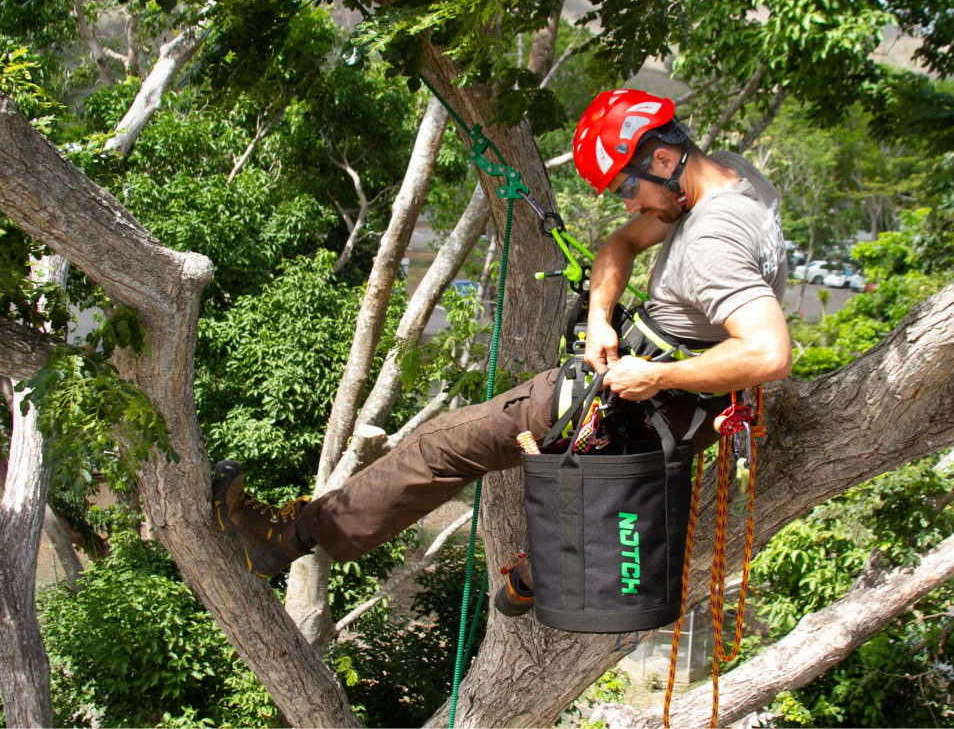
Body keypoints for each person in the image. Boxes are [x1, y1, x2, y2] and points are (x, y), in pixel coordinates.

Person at [212, 88, 792, 618]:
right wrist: (597, 317)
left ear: (662, 160)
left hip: (632, 398)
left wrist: (654, 372)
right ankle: (533, 581)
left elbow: (768, 354)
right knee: (597, 486)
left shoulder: (712, 238)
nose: (627, 204)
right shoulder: (734, 179)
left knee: (442, 448)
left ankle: (283, 542)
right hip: (678, 417)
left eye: (626, 187)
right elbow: (621, 243)